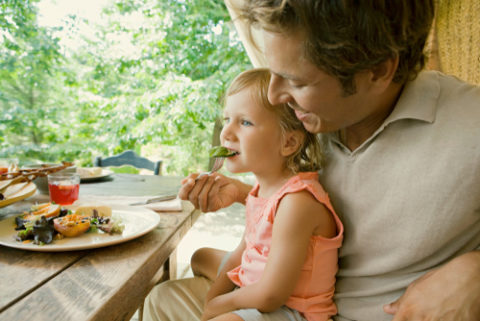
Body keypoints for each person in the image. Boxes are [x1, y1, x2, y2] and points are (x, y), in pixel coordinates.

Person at [145, 1, 480, 320]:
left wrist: (474, 273)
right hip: (284, 301)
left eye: (297, 81)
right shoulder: (300, 119)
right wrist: (243, 192)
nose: (275, 95)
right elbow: (299, 207)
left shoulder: (469, 126)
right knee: (163, 299)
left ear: (377, 70)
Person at [147, 68, 344, 321]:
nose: (226, 133)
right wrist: (211, 302)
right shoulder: (260, 192)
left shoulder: (297, 203)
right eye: (227, 119)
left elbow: (271, 295)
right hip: (252, 293)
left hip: (291, 311)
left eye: (245, 122)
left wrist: (219, 306)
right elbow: (240, 257)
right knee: (161, 296)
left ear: (288, 143)